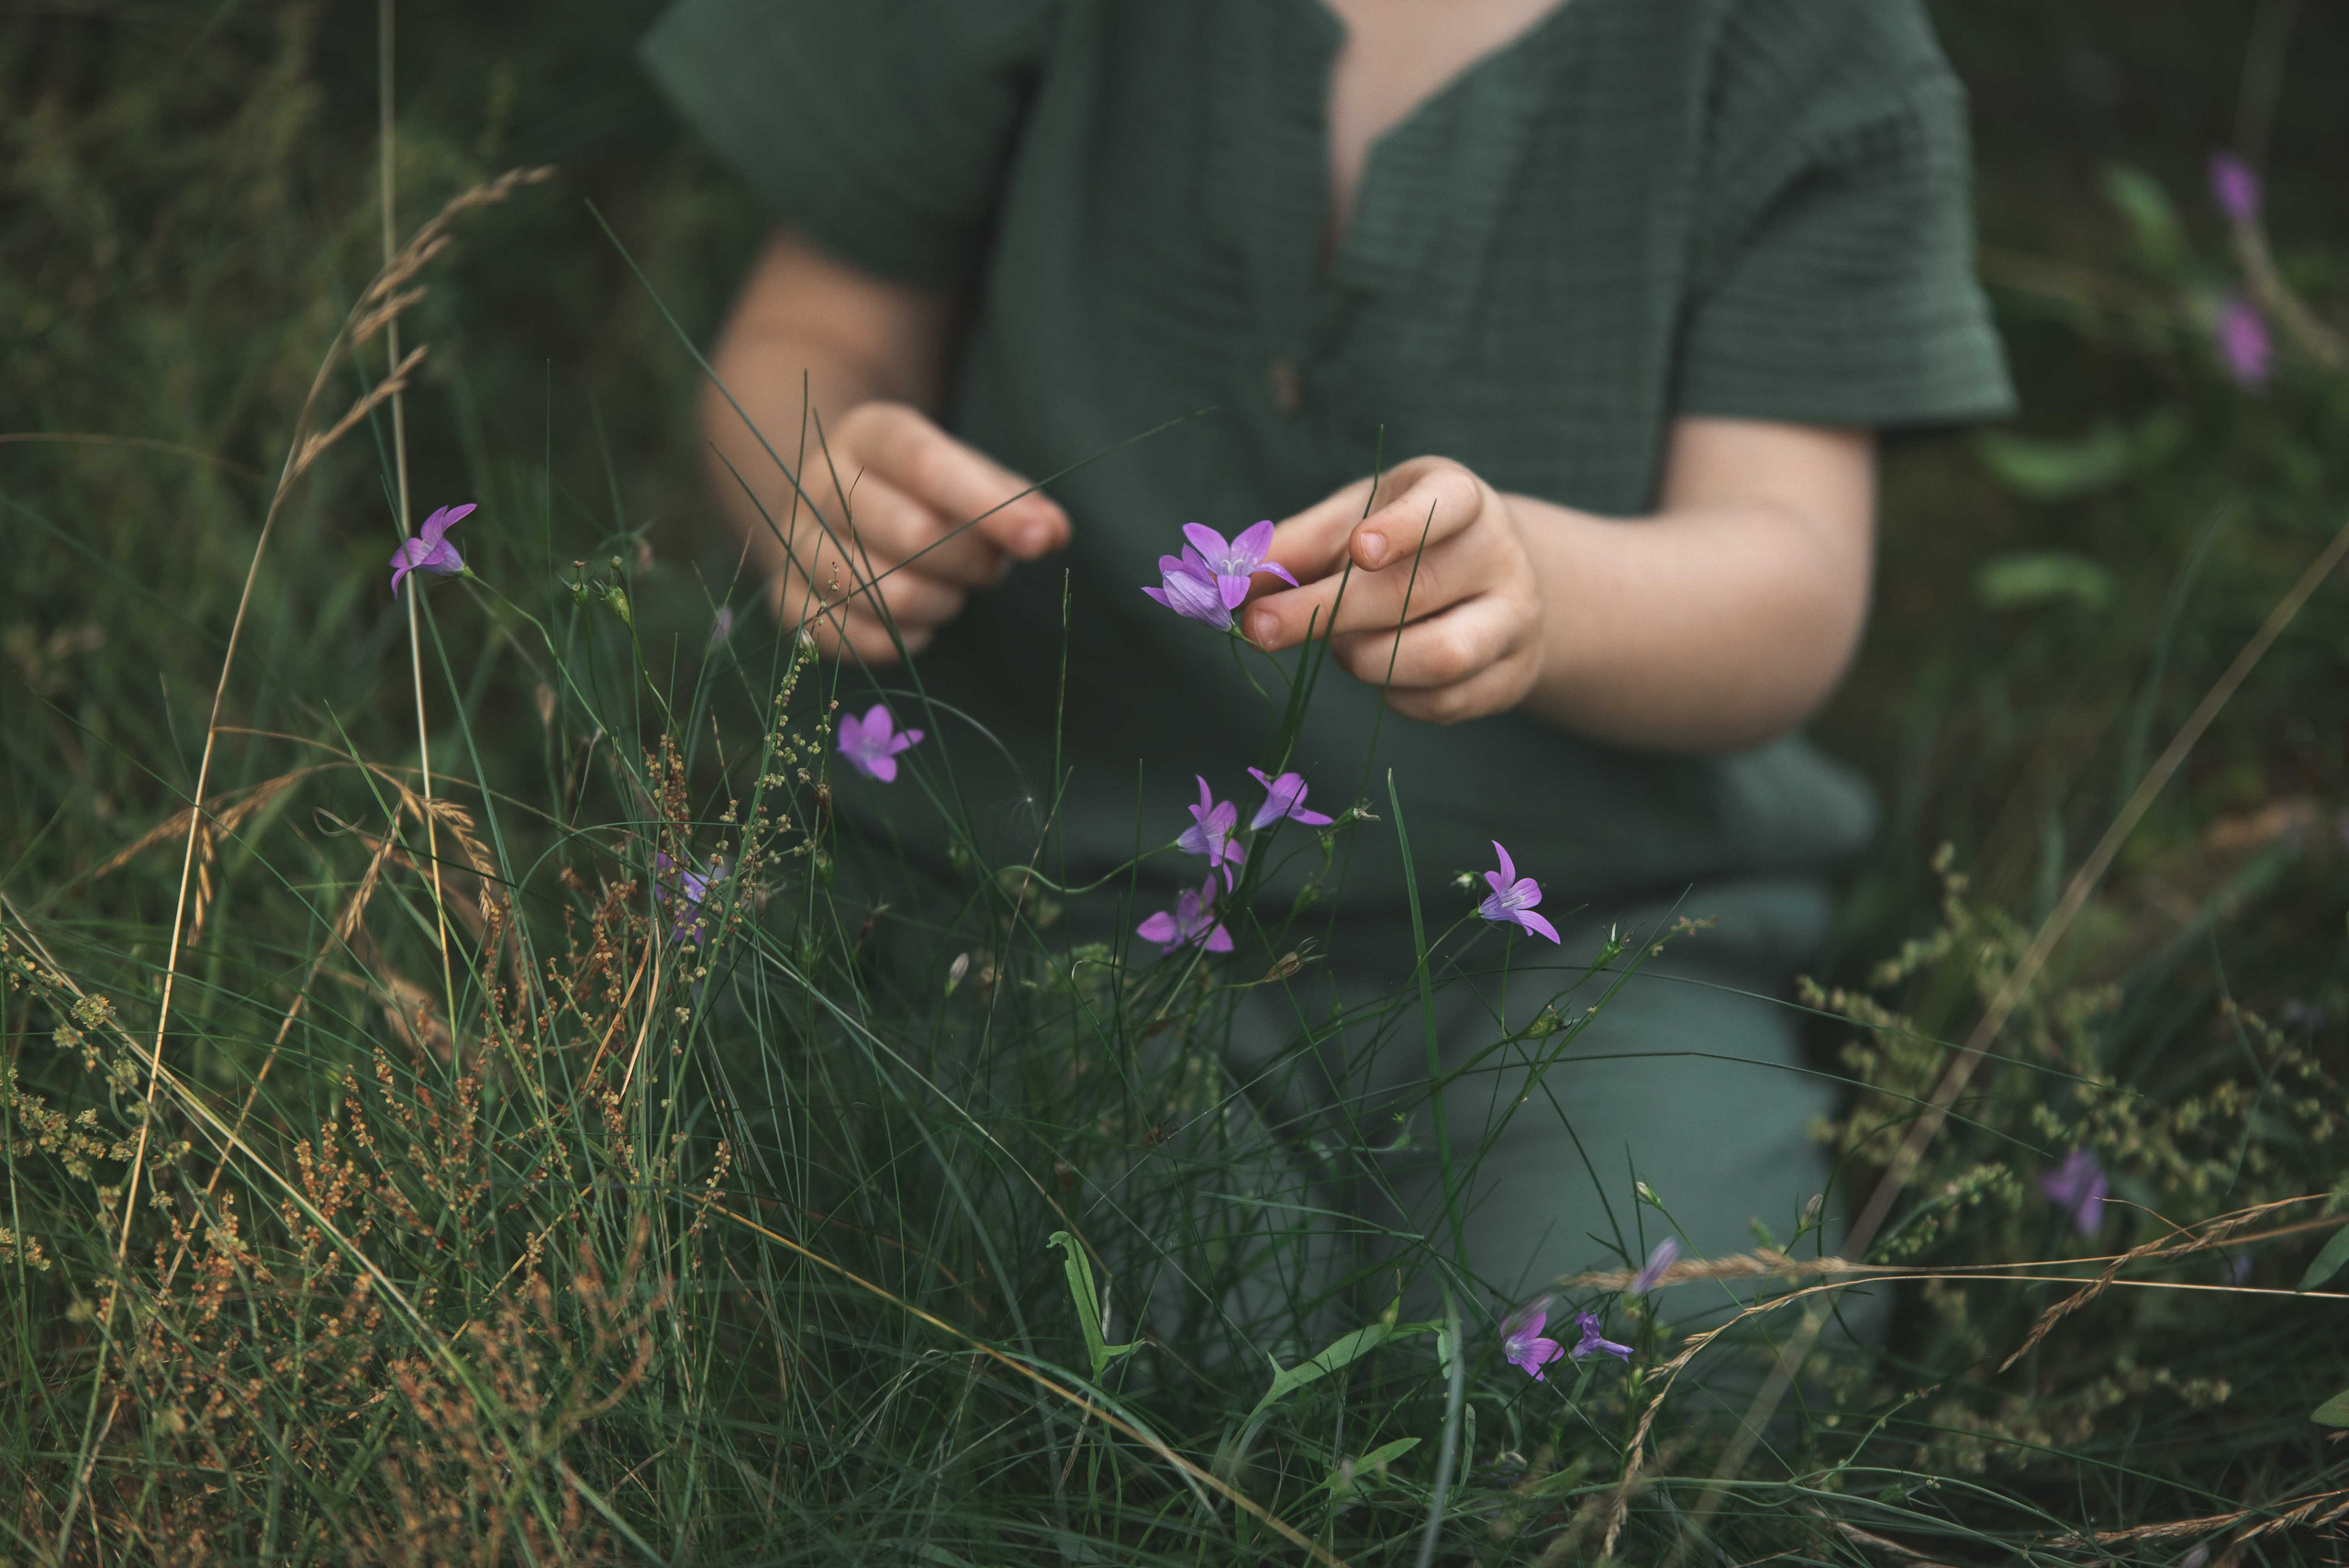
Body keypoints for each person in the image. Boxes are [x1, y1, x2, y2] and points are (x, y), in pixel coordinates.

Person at [640, 0, 2012, 1326]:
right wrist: (819, 484)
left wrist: (1545, 588)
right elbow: (802, 342)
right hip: (1050, 906)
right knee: (1132, 1334)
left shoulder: (1803, 41)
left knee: (1671, 1344)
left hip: (1583, 941)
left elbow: (1792, 578)